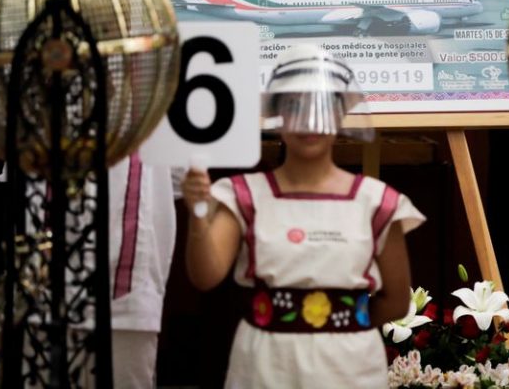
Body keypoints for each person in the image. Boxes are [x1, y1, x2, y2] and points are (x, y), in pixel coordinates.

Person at [0, 0, 177, 387]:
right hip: (37, 282)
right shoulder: (19, 58)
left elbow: (181, 179)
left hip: (127, 288)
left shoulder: (154, 64)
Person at [182, 44, 425, 388]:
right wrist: (197, 214)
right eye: (294, 106)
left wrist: (340, 332)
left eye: (320, 106)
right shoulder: (243, 194)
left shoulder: (378, 202)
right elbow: (206, 277)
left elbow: (397, 302)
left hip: (352, 369)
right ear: (277, 115)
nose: (308, 121)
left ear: (339, 115)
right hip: (264, 366)